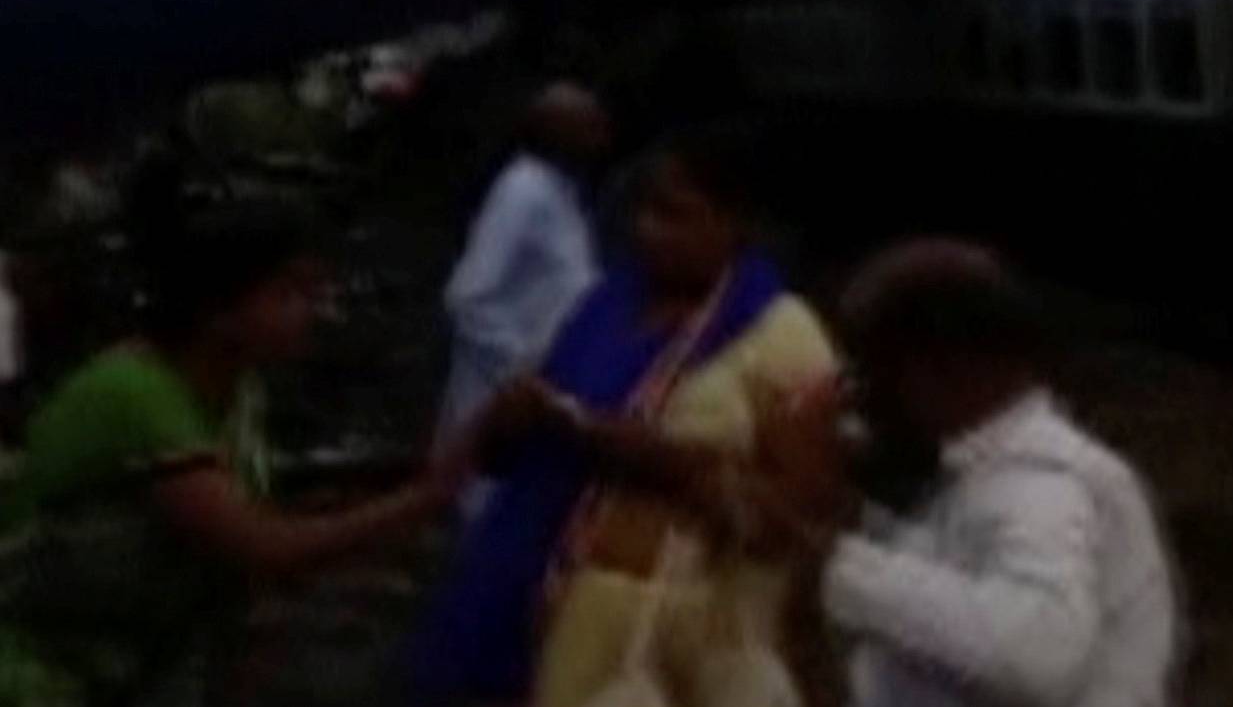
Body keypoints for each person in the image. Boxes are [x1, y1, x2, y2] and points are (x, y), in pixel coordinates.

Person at [411, 122, 839, 707]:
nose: (646, 230)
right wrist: (512, 421)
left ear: (734, 223)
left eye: (675, 215)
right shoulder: (606, 305)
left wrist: (651, 458)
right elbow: (518, 449)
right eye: (644, 211)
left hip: (678, 654)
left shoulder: (784, 337)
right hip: (541, 613)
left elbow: (799, 521)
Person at [0, 201, 470, 707]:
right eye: (291, 292)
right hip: (43, 668)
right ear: (220, 310)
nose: (319, 311)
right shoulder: (135, 396)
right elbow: (264, 548)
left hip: (141, 660)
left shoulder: (238, 389)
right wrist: (432, 494)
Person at [769, 239, 1179, 707]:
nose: (865, 406)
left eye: (872, 378)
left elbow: (1039, 652)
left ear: (939, 370)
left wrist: (833, 561)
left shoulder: (1042, 484)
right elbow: (949, 583)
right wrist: (829, 506)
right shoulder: (993, 474)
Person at [438, 83, 614, 477]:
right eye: (589, 125)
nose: (602, 135)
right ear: (556, 131)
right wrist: (523, 366)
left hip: (544, 403)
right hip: (503, 404)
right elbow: (467, 297)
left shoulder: (563, 193)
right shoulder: (523, 191)